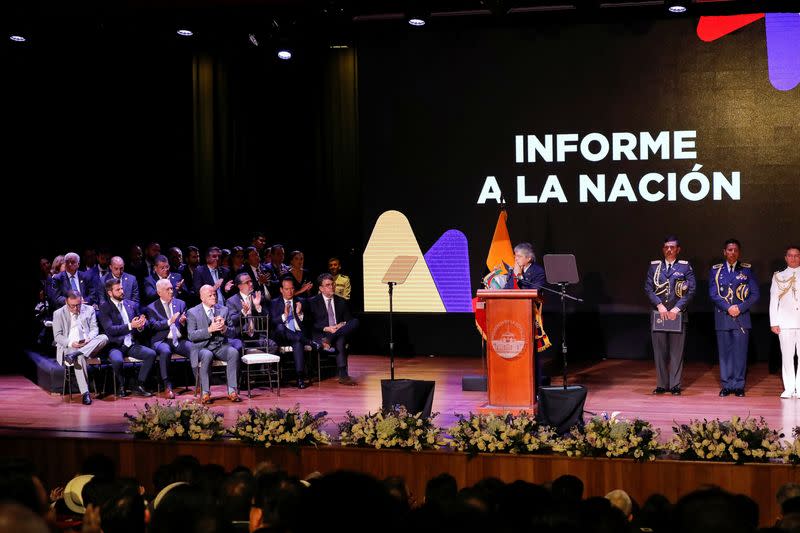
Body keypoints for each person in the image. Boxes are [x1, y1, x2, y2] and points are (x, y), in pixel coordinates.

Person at [644, 236, 696, 395]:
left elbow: (691, 289)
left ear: (678, 249)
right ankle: (661, 384)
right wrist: (659, 305)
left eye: (672, 247)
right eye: (666, 247)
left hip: (677, 314)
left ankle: (675, 385)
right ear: (663, 249)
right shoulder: (655, 267)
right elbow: (648, 287)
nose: (669, 250)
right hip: (659, 313)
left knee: (676, 352)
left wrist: (677, 308)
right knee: (659, 351)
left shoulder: (685, 267)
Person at [710, 238, 760, 397]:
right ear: (724, 252)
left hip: (741, 317)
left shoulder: (747, 270)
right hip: (723, 316)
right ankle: (726, 385)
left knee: (740, 353)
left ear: (739, 252)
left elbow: (755, 294)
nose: (732, 253)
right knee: (724, 353)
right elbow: (713, 293)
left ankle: (738, 385)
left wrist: (740, 307)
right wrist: (728, 307)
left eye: (735, 250)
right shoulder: (715, 270)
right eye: (729, 250)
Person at [97, 278, 156, 397]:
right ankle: (122, 386)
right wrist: (130, 325)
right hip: (115, 345)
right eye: (118, 289)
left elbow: (138, 325)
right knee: (117, 360)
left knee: (151, 354)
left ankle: (139, 384)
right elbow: (110, 330)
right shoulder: (104, 308)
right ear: (110, 293)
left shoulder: (131, 304)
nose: (122, 291)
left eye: (122, 288)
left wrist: (140, 325)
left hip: (130, 344)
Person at [503, 242, 549, 386]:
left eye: (519, 256)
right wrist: (515, 275)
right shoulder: (512, 271)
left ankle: (535, 387)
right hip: (512, 315)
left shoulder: (538, 271)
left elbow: (535, 291)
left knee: (532, 354)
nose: (516, 259)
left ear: (528, 258)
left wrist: (520, 277)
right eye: (515, 256)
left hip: (529, 316)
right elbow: (506, 290)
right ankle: (516, 384)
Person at [186, 284, 242, 404]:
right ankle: (205, 392)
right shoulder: (192, 312)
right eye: (210, 295)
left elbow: (233, 333)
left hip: (220, 346)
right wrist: (209, 330)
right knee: (207, 355)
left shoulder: (223, 310)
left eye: (214, 294)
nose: (213, 297)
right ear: (202, 298)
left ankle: (232, 390)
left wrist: (224, 328)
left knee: (233, 352)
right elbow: (191, 336)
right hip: (202, 347)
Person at [52, 291, 108, 405]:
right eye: (73, 306)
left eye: (78, 305)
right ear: (66, 303)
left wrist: (89, 338)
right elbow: (57, 336)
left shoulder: (89, 310)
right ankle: (85, 393)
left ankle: (76, 354)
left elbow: (94, 329)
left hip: (88, 345)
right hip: (70, 347)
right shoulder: (58, 313)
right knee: (79, 356)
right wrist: (71, 343)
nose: (76, 308)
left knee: (104, 337)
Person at [307, 273, 359, 385]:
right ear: (321, 288)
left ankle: (331, 339)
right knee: (340, 338)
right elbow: (310, 323)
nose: (331, 287)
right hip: (322, 334)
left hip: (337, 333)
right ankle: (343, 374)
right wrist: (327, 328)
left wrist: (341, 325)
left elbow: (349, 321)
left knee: (354, 322)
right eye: (328, 285)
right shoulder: (313, 302)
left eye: (332, 284)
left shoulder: (341, 301)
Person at [145, 279, 192, 399]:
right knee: (165, 351)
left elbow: (187, 323)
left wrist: (182, 322)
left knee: (194, 349)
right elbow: (153, 325)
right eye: (168, 289)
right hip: (162, 340)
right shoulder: (151, 307)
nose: (171, 291)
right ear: (159, 292)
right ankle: (167, 386)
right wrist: (169, 321)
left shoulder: (181, 303)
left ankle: (199, 383)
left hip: (178, 340)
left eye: (172, 288)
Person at [270, 277, 316, 389]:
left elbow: (310, 322)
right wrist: (285, 315)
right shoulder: (274, 302)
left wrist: (300, 314)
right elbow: (271, 323)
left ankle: (300, 377)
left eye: (292, 288)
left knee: (297, 341)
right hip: (281, 337)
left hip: (297, 335)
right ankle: (309, 342)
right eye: (286, 289)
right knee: (280, 327)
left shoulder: (301, 301)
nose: (290, 291)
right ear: (281, 290)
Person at [769, 245, 800, 398]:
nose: (793, 258)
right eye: (790, 255)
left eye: (796, 255)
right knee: (787, 357)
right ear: (786, 257)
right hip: (785, 322)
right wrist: (774, 322)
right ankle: (789, 388)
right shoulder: (779, 276)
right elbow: (774, 300)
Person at [226, 272, 278, 354]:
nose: (251, 284)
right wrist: (243, 312)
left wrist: (258, 307)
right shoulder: (231, 301)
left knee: (273, 345)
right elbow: (232, 321)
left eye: (251, 281)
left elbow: (267, 320)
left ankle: (264, 366)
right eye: (247, 282)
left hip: (257, 337)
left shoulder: (259, 297)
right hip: (241, 338)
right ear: (240, 286)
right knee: (238, 348)